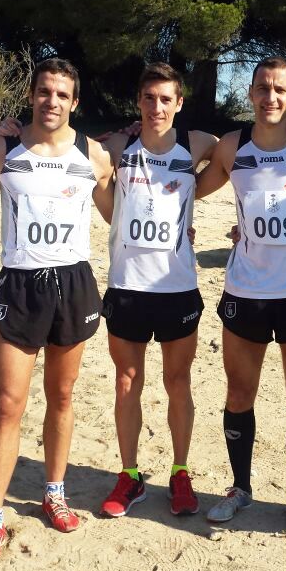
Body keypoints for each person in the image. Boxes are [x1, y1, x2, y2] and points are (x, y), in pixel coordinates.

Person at [0, 58, 113, 565]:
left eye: (61, 94)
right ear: (31, 96)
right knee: (9, 404)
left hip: (73, 282)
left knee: (62, 395)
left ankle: (54, 491)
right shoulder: (2, 150)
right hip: (21, 283)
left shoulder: (94, 155)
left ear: (75, 102)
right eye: (43, 92)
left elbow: (120, 212)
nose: (51, 101)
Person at [195, 57, 286, 536]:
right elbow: (187, 186)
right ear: (250, 93)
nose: (270, 97)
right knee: (238, 393)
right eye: (262, 89)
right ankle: (240, 487)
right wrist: (140, 143)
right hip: (245, 290)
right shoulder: (232, 146)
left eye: (280, 89)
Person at [97, 63, 218, 518]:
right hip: (127, 285)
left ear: (180, 103)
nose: (157, 107)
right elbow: (70, 148)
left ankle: (180, 471)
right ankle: (129, 475)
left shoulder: (196, 144)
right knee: (127, 383)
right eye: (149, 98)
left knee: (177, 382)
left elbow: (234, 155)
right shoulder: (116, 145)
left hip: (178, 287)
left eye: (166, 99)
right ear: (138, 102)